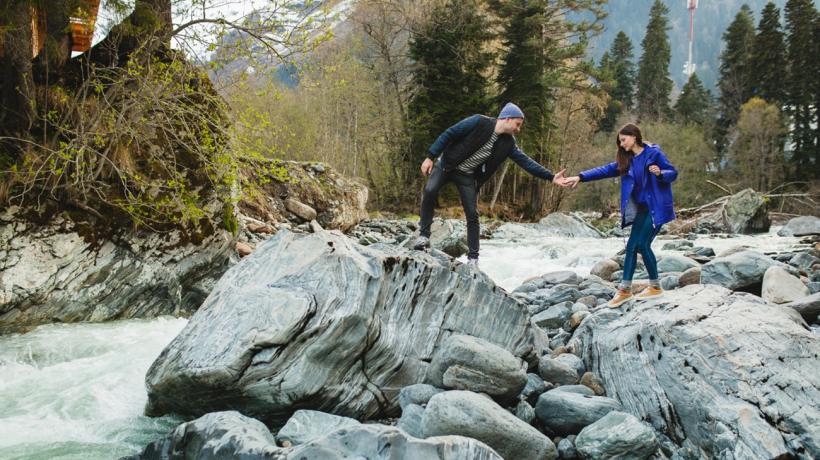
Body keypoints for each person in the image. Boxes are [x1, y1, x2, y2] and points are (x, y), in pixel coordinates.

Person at [412, 102, 568, 267]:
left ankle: (473, 259)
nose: (518, 129)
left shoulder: (508, 144)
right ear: (507, 119)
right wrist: (430, 156)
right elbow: (449, 133)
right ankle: (424, 236)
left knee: (472, 214)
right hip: (447, 165)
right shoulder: (478, 122)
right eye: (517, 124)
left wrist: (551, 177)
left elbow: (526, 162)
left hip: (467, 176)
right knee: (430, 190)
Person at [563, 123, 677, 307]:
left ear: (634, 136)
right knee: (631, 246)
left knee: (642, 244)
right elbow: (604, 170)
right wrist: (580, 177)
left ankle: (655, 287)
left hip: (656, 207)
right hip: (641, 209)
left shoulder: (654, 154)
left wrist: (660, 173)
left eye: (623, 140)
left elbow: (673, 173)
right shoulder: (627, 161)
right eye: (620, 142)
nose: (622, 145)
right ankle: (625, 290)